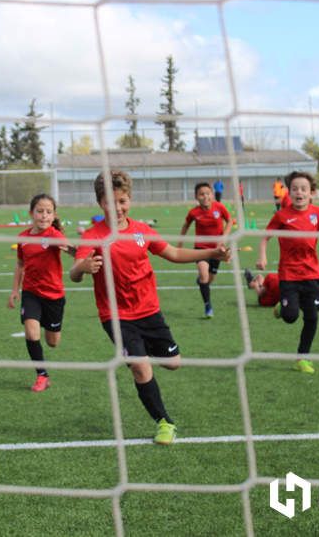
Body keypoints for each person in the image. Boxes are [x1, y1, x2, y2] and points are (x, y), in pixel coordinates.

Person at [70, 170, 230, 445]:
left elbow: (174, 253)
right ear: (100, 203)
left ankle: (138, 354)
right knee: (142, 370)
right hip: (116, 316)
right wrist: (82, 268)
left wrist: (212, 253)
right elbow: (74, 273)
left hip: (148, 310)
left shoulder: (142, 231)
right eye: (111, 201)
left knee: (173, 363)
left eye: (123, 201)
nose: (118, 208)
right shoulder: (93, 236)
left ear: (129, 199)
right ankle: (164, 422)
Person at [256, 170, 319, 374]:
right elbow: (265, 237)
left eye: (303, 189)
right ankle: (283, 307)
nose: (299, 192)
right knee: (291, 316)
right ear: (289, 192)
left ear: (312, 193)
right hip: (289, 275)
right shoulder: (281, 215)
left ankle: (302, 357)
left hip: (312, 274)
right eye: (294, 189)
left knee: (312, 316)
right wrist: (262, 256)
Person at [8, 194, 71, 392]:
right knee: (31, 332)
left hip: (54, 295)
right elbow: (20, 264)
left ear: (54, 215)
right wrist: (14, 290)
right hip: (31, 292)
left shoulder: (55, 235)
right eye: (40, 211)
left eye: (48, 212)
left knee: (52, 342)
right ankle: (42, 375)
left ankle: (49, 329)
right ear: (31, 213)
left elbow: (73, 251)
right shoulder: (23, 238)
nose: (44, 216)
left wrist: (78, 253)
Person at [177, 182, 233, 318]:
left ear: (212, 195)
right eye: (202, 194)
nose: (205, 196)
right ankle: (208, 305)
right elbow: (185, 226)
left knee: (209, 278)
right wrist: (180, 244)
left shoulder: (219, 207)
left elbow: (230, 220)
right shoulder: (194, 212)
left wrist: (224, 238)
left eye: (208, 193)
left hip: (217, 250)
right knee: (204, 275)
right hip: (200, 249)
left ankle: (203, 283)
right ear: (197, 197)